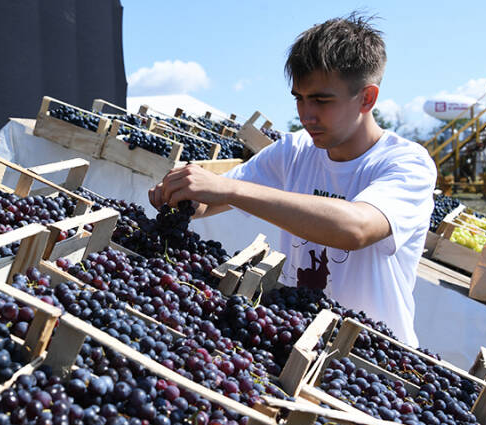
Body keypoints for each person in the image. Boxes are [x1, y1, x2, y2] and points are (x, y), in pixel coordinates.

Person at [148, 13, 436, 347]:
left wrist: (228, 188)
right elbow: (208, 202)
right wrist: (184, 195)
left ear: (367, 98)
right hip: (301, 339)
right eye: (299, 98)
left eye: (321, 100)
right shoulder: (294, 151)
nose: (306, 114)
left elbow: (355, 228)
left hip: (373, 361)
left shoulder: (406, 164)